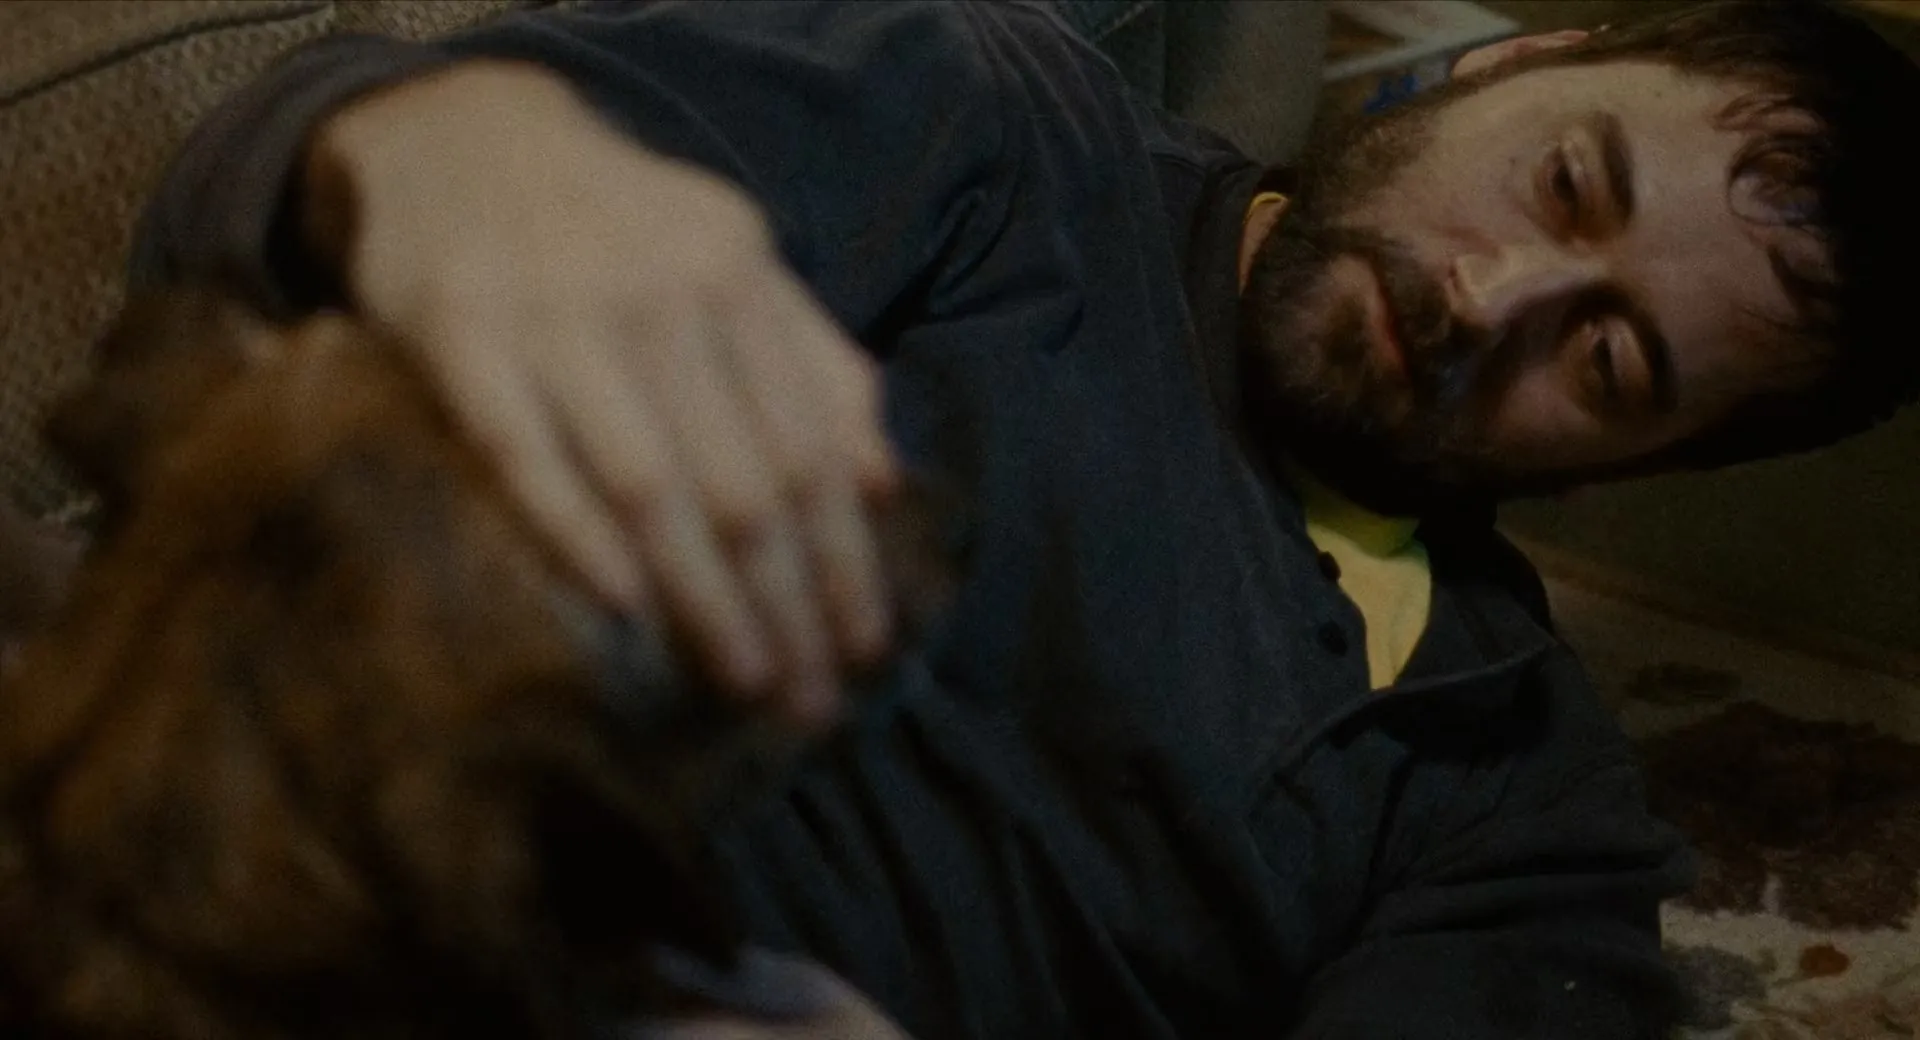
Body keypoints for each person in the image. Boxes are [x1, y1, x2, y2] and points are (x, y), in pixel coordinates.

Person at [128, 0, 1919, 1037]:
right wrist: (439, 149)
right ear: (1507, 61)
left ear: (1649, 466)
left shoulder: (1525, 803)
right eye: (1567, 181)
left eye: (1609, 362)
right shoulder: (999, 131)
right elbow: (260, 214)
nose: (1488, 293)